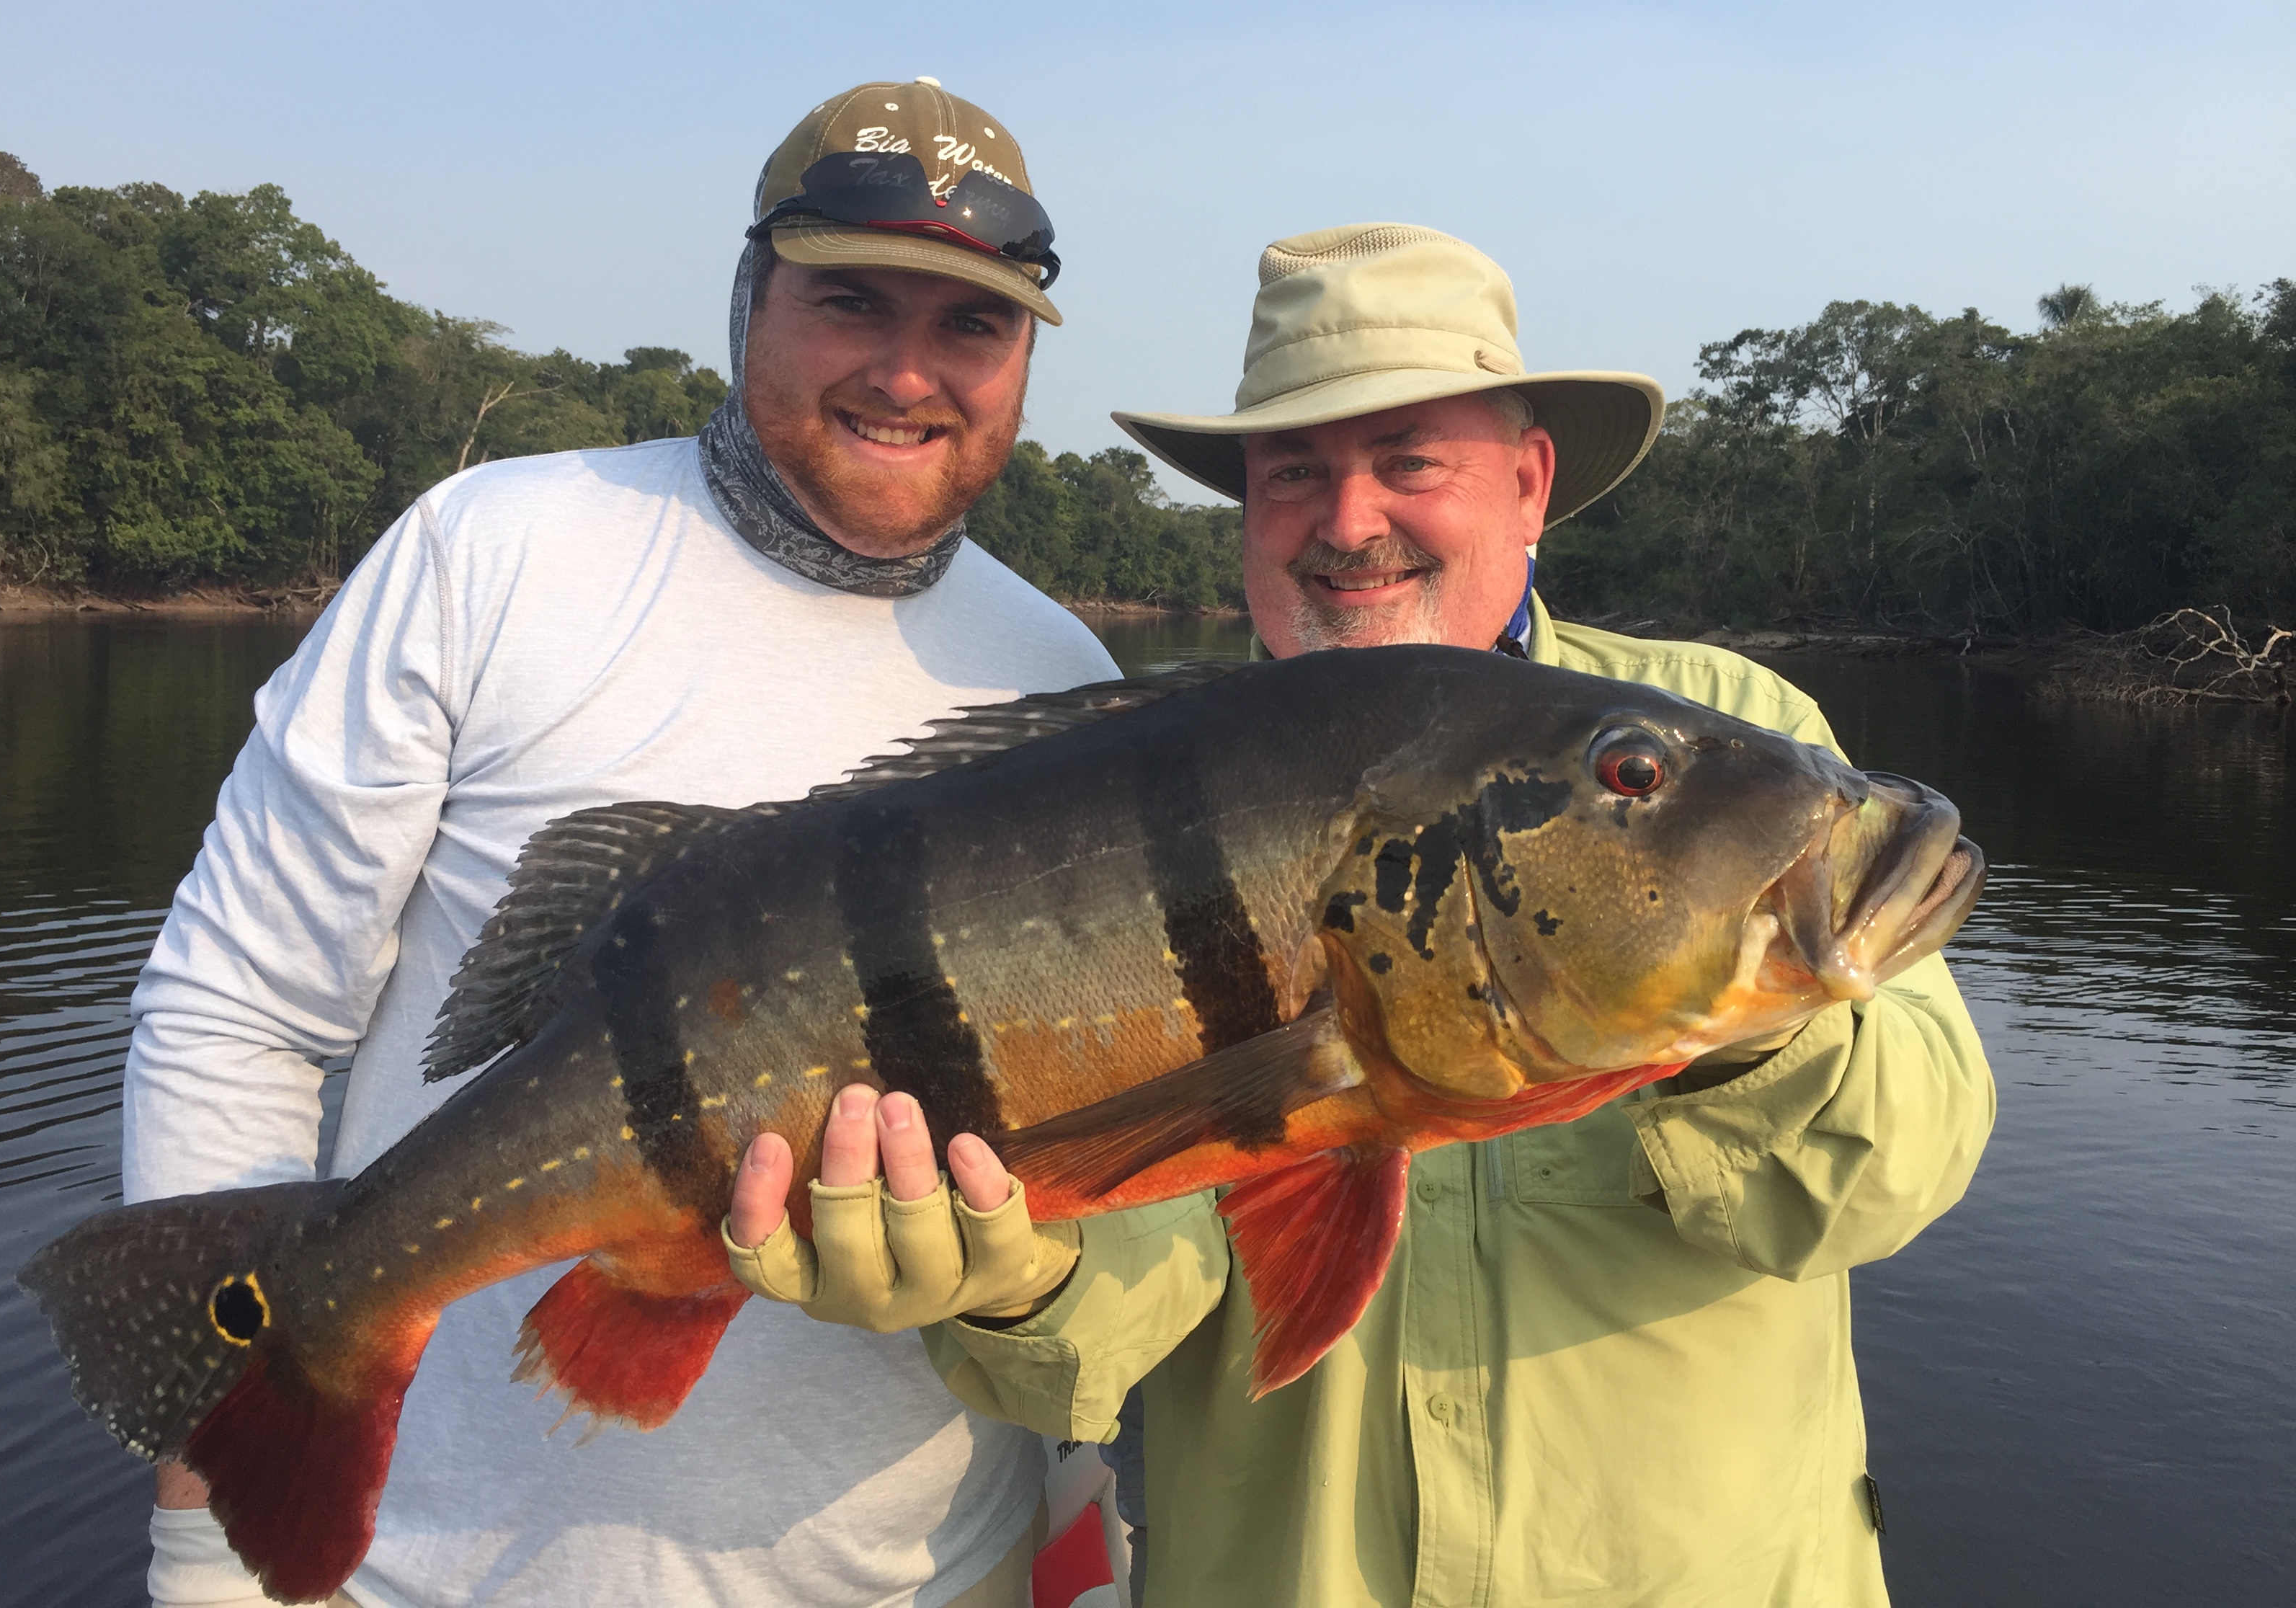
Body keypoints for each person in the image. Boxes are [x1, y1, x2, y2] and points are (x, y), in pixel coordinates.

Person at [723, 224, 1997, 1607]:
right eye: (1294, 474)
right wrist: (1004, 1276)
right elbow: (1105, 1347)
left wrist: (1725, 1003)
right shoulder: (1121, 787)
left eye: (1409, 460)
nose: (1346, 521)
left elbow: (1890, 1172)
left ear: (1527, 482)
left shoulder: (1744, 741)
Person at [125, 79, 1120, 1608]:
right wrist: (212, 1532)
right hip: (424, 1575)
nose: (909, 371)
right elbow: (235, 1010)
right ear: (749, 297)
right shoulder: (495, 553)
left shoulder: (1065, 685)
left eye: (972, 327)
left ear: (1026, 358)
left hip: (921, 1574)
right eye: (849, 299)